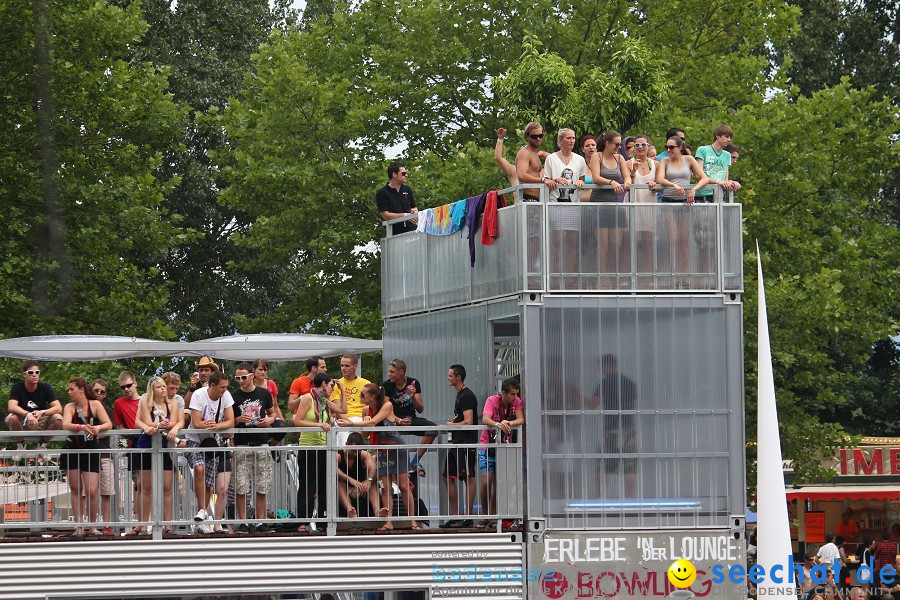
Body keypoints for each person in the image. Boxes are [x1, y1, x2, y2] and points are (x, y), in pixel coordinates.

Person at [337, 383, 420, 531]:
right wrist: (365, 425)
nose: (360, 397)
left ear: (372, 397)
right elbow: (365, 435)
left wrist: (352, 423)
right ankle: (388, 522)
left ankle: (412, 521)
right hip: (381, 450)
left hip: (395, 446)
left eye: (363, 394)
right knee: (385, 488)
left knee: (403, 486)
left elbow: (374, 422)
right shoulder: (365, 410)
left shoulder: (386, 405)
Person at [292, 372, 346, 532]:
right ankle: (303, 521)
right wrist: (319, 425)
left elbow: (343, 409)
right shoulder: (308, 398)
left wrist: (342, 389)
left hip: (324, 448)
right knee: (308, 485)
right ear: (323, 384)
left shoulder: (324, 401)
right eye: (331, 385)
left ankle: (323, 520)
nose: (332, 388)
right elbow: (297, 421)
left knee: (324, 485)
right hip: (308, 447)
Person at [60, 377, 112, 536]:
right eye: (68, 389)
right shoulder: (69, 407)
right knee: (76, 488)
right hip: (72, 448)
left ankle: (93, 526)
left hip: (91, 449)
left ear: (81, 389)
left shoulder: (95, 405)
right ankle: (78, 525)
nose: (69, 392)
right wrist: (82, 427)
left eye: (71, 389)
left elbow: (108, 424)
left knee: (92, 490)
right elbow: (65, 424)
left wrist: (96, 428)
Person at [655, 135, 709, 286]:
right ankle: (673, 274)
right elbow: (660, 179)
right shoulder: (665, 161)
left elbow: (703, 178)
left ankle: (684, 275)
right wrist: (674, 185)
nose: (668, 150)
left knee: (684, 240)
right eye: (667, 147)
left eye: (671, 147)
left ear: (680, 147)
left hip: (685, 202)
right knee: (673, 238)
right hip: (669, 200)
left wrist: (693, 189)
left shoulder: (689, 160)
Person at [185, 371, 235, 534]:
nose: (224, 390)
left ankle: (203, 518)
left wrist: (216, 427)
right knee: (199, 469)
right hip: (195, 439)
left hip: (213, 440)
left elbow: (230, 421)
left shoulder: (226, 395)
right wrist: (212, 425)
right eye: (222, 387)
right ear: (212, 386)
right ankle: (201, 510)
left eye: (226, 387)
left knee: (209, 483)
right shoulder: (199, 395)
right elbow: (196, 422)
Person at [131, 376, 182, 535]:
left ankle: (167, 525)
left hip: (165, 445)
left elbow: (176, 421)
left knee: (167, 486)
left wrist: (170, 427)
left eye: (163, 386)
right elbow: (146, 421)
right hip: (147, 443)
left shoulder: (172, 402)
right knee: (145, 487)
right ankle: (143, 524)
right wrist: (161, 425)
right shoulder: (146, 401)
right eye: (159, 386)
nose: (163, 389)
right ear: (152, 389)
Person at [231, 362, 276, 533]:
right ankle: (242, 521)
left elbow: (273, 414)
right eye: (238, 378)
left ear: (251, 376)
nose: (241, 381)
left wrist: (269, 421)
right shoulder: (233, 396)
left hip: (261, 443)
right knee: (241, 485)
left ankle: (260, 520)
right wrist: (237, 420)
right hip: (242, 444)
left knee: (262, 485)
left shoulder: (264, 393)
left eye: (243, 377)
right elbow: (228, 420)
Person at [587, 354, 638, 497]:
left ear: (606, 365)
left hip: (611, 428)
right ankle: (630, 498)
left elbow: (592, 404)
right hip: (628, 427)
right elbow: (635, 406)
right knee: (630, 466)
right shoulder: (629, 382)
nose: (599, 369)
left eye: (601, 366)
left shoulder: (604, 383)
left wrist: (577, 395)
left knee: (603, 465)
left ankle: (600, 497)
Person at [477, 377, 524, 529]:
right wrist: (498, 424)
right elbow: (485, 418)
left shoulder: (516, 402)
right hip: (487, 446)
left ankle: (493, 516)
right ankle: (485, 515)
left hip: (504, 447)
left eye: (516, 394)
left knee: (499, 484)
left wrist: (508, 422)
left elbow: (521, 419)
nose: (515, 397)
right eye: (512, 394)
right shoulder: (492, 400)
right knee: (486, 481)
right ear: (503, 393)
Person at [588, 130, 632, 288]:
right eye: (617, 144)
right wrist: (611, 182)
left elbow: (626, 175)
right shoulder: (597, 156)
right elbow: (596, 177)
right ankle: (601, 276)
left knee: (617, 243)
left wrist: (626, 181)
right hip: (600, 202)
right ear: (607, 143)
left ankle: (614, 275)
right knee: (603, 243)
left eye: (620, 145)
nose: (619, 147)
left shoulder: (619, 158)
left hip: (615, 203)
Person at [544, 128, 587, 289]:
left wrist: (581, 182)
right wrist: (553, 180)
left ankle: (570, 276)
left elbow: (581, 177)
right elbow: (546, 178)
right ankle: (556, 276)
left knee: (572, 242)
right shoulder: (551, 158)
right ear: (561, 140)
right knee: (558, 241)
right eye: (568, 138)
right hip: (556, 203)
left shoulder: (579, 159)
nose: (572, 141)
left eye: (574, 138)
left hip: (574, 204)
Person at [382, 359, 436, 476]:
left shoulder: (413, 382)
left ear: (401, 372)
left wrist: (413, 397)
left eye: (392, 372)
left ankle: (415, 461)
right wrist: (399, 420)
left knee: (433, 429)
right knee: (384, 431)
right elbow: (386, 410)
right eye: (389, 371)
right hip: (393, 419)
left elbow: (420, 409)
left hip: (410, 418)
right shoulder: (387, 385)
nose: (389, 374)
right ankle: (395, 466)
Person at [440, 365, 478, 529]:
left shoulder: (467, 396)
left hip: (465, 442)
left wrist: (452, 425)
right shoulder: (460, 395)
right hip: (457, 442)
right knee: (447, 476)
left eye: (450, 375)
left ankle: (468, 516)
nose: (448, 378)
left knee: (468, 477)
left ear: (459, 377)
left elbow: (469, 422)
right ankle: (456, 516)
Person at [6, 360, 63, 456]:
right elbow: (11, 406)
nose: (34, 375)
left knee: (58, 419)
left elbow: (58, 408)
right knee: (12, 418)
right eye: (31, 372)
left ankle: (42, 445)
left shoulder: (46, 387)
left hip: (40, 420)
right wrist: (27, 414)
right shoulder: (17, 387)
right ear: (24, 375)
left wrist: (42, 412)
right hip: (22, 421)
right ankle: (21, 446)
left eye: (37, 372)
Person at [626, 134, 659, 284]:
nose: (640, 148)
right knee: (631, 240)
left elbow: (659, 185)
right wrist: (633, 171)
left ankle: (647, 276)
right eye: (637, 145)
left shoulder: (655, 164)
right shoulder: (628, 163)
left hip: (649, 203)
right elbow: (629, 184)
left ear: (648, 146)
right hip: (634, 202)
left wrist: (655, 185)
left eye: (643, 145)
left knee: (648, 240)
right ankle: (630, 274)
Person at [336, 431, 389, 522]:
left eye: (358, 451)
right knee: (338, 484)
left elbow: (373, 467)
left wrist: (369, 480)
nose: (356, 453)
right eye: (353, 451)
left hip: (360, 488)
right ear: (346, 444)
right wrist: (350, 479)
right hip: (344, 488)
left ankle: (377, 511)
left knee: (372, 483)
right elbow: (334, 469)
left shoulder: (364, 455)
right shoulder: (338, 455)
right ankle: (350, 511)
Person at [90, 379, 115, 535]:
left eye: (102, 392)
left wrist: (96, 430)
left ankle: (106, 525)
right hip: (87, 454)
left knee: (106, 492)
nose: (99, 394)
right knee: (87, 492)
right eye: (96, 390)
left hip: (105, 454)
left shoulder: (107, 410)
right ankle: (86, 523)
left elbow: (109, 430)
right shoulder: (84, 409)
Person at [331, 353, 371, 444]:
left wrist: (355, 424)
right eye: (342, 365)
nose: (343, 368)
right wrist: (350, 424)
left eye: (347, 365)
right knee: (345, 439)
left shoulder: (366, 383)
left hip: (361, 418)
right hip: (344, 419)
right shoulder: (337, 384)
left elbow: (370, 406)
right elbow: (337, 409)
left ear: (355, 366)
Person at [694, 124, 738, 202]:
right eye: (726, 136)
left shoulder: (727, 155)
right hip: (703, 195)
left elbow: (725, 179)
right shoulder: (703, 150)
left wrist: (732, 183)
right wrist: (718, 181)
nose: (729, 140)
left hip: (720, 196)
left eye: (730, 137)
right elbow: (698, 176)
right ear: (717, 136)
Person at [376, 161, 418, 235]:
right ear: (394, 174)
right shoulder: (382, 192)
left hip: (413, 231)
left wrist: (414, 212)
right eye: (403, 173)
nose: (406, 175)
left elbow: (414, 207)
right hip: (395, 235)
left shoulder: (407, 189)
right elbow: (385, 215)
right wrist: (405, 215)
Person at [515, 122, 549, 202]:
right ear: (527, 137)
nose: (538, 139)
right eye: (534, 136)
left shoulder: (535, 154)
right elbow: (521, 175)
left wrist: (543, 153)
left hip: (538, 199)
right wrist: (543, 180)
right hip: (527, 198)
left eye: (540, 136)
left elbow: (556, 159)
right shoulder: (525, 153)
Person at [579, 134, 598, 202]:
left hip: (600, 203)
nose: (591, 147)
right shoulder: (579, 165)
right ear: (582, 149)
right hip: (582, 204)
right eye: (587, 146)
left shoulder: (603, 165)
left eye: (593, 145)